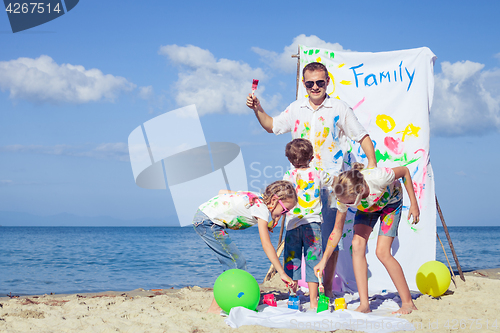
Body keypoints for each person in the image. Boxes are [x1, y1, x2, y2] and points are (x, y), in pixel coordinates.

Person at [246, 61, 377, 297]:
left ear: (327, 82)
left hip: (332, 184)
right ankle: (298, 290)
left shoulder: (339, 108)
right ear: (304, 84)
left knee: (328, 240)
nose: (315, 87)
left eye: (319, 82)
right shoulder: (296, 108)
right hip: (300, 188)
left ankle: (325, 291)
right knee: (298, 239)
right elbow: (271, 126)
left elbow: (362, 135)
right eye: (310, 83)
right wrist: (257, 108)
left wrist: (372, 165)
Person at [314, 163, 420, 314]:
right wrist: (323, 261)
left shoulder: (379, 177)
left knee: (382, 252)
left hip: (390, 203)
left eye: (349, 203)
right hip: (368, 208)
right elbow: (336, 231)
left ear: (361, 190)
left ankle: (408, 302)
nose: (346, 206)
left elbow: (404, 171)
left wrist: (414, 204)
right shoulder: (344, 197)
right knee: (356, 244)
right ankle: (364, 305)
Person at [192, 180, 298, 313]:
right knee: (237, 263)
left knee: (233, 263)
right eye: (285, 210)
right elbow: (266, 244)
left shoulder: (255, 197)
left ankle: (228, 299)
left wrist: (274, 217)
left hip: (204, 217)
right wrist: (281, 272)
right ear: (275, 200)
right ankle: (215, 307)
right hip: (208, 223)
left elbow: (222, 193)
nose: (284, 214)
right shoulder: (262, 210)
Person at [282, 138, 335, 309]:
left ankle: (292, 297)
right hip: (313, 225)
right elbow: (334, 182)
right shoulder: (319, 173)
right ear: (311, 158)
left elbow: (282, 197)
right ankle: (313, 301)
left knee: (292, 260)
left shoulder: (288, 176)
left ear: (290, 160)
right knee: (313, 261)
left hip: (293, 224)